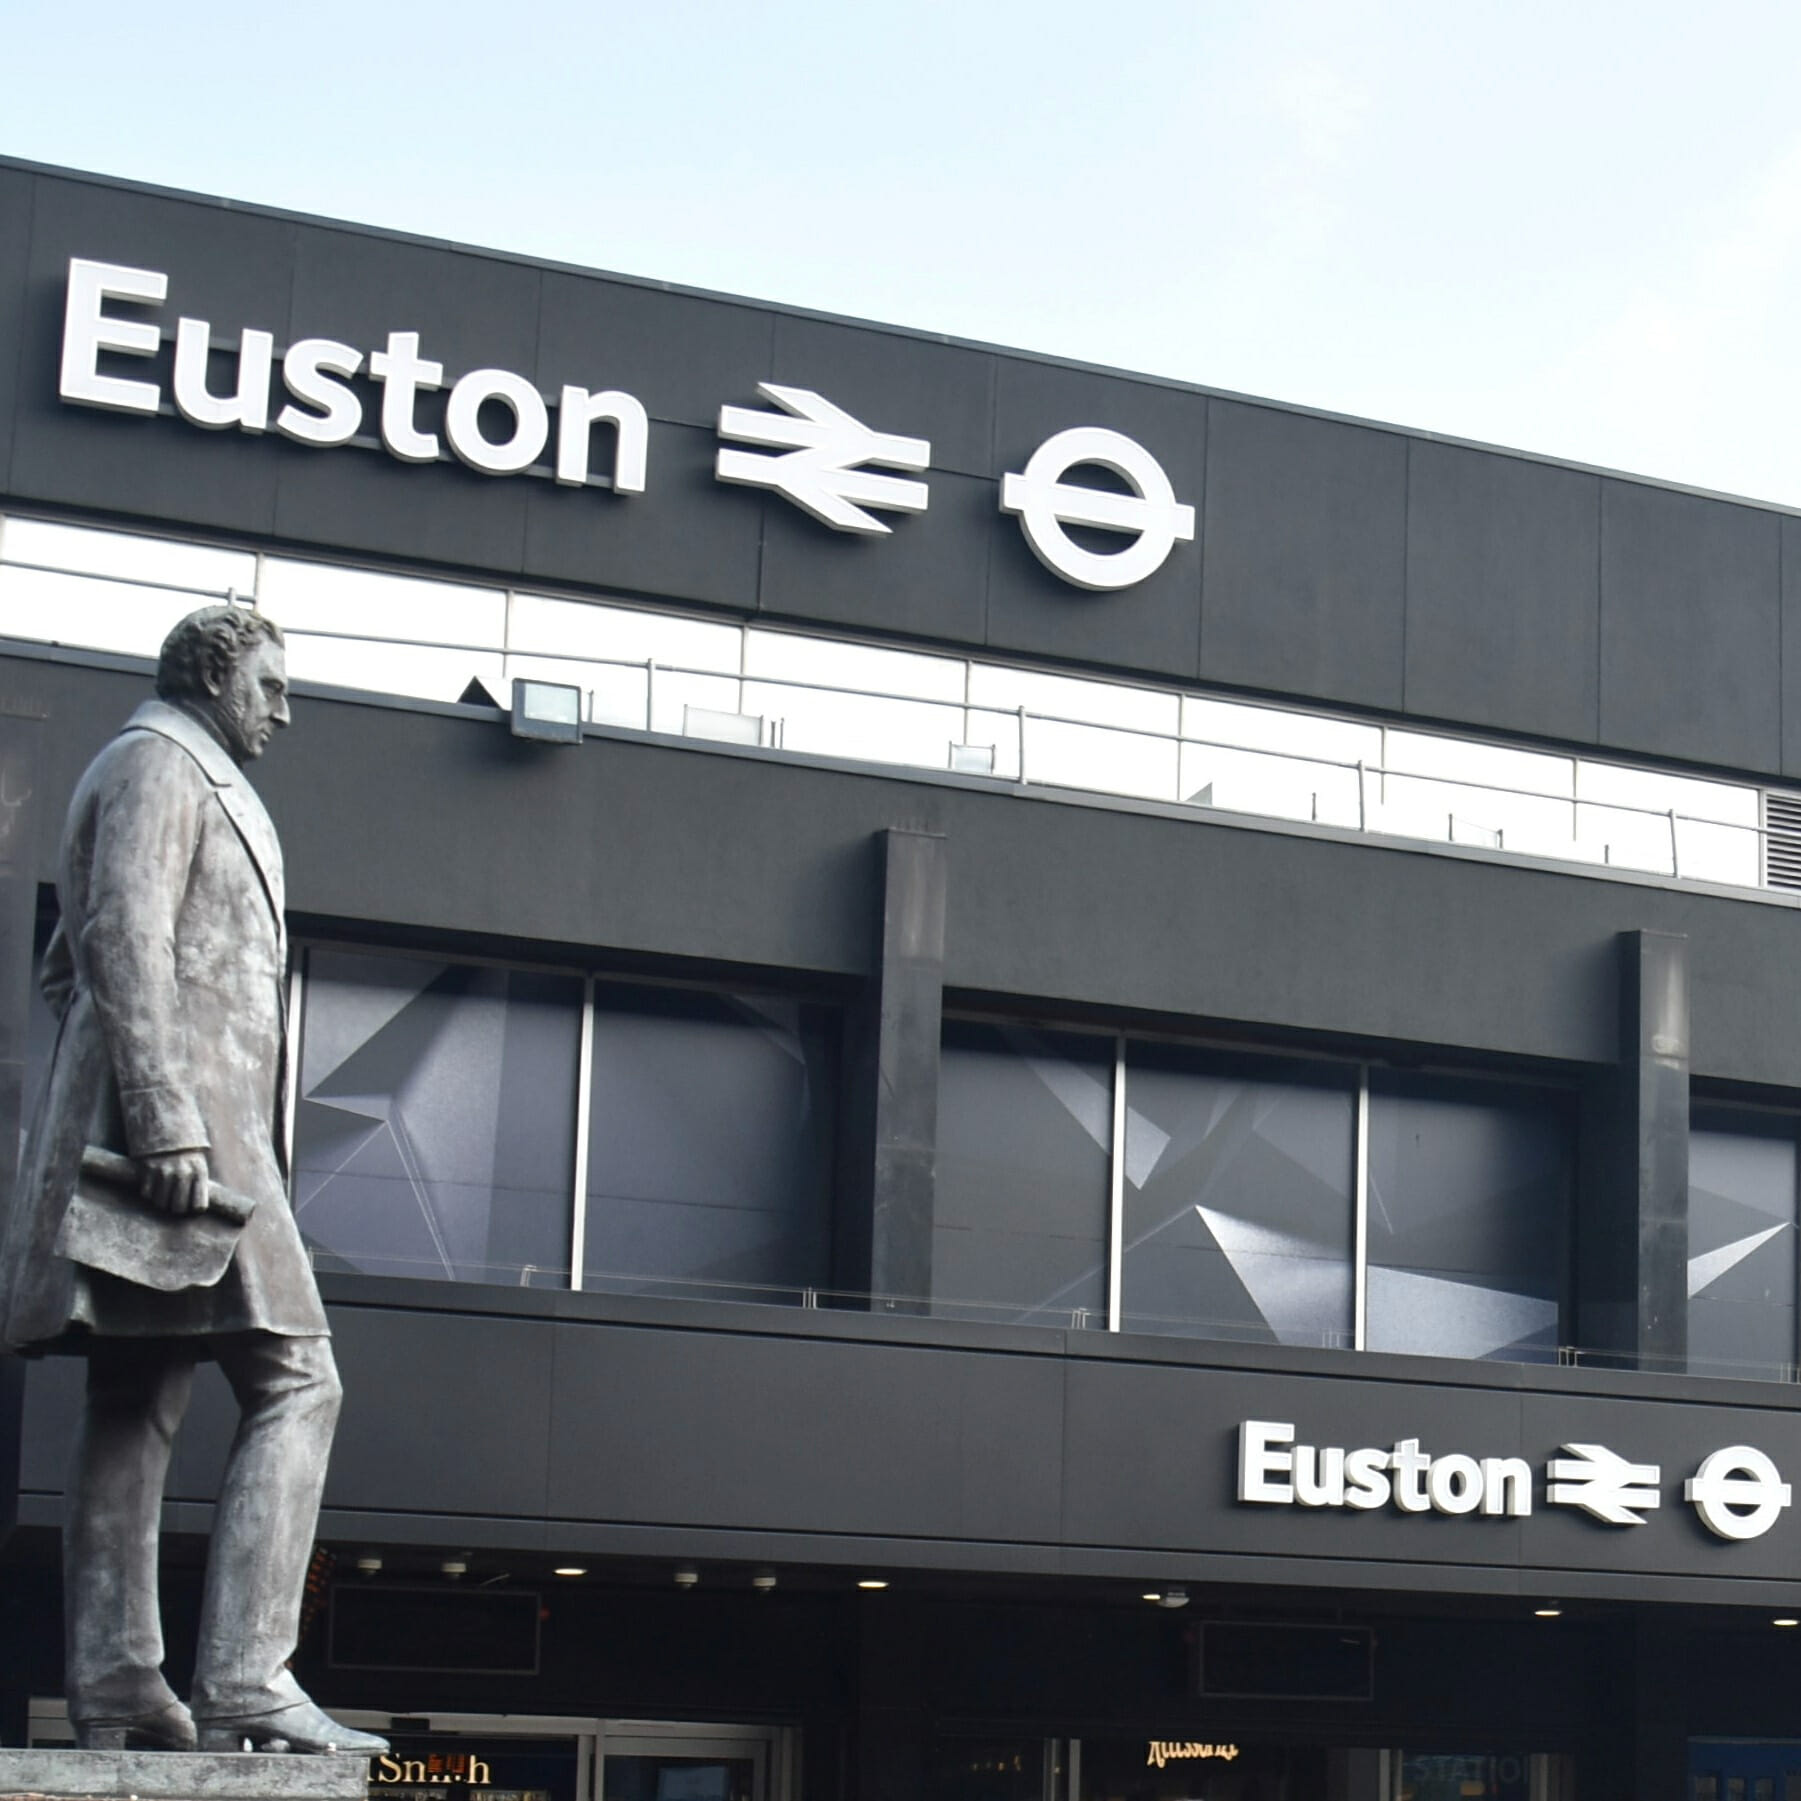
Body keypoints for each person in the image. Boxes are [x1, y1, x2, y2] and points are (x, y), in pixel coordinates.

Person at [0, 605, 386, 1756]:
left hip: (193, 1135)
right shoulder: (159, 763)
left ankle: (120, 1683)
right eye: (269, 684)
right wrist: (163, 1115)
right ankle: (247, 1674)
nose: (283, 706)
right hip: (193, 1141)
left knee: (136, 1396)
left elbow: (70, 974)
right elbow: (114, 936)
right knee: (301, 1379)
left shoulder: (169, 767)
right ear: (215, 674)